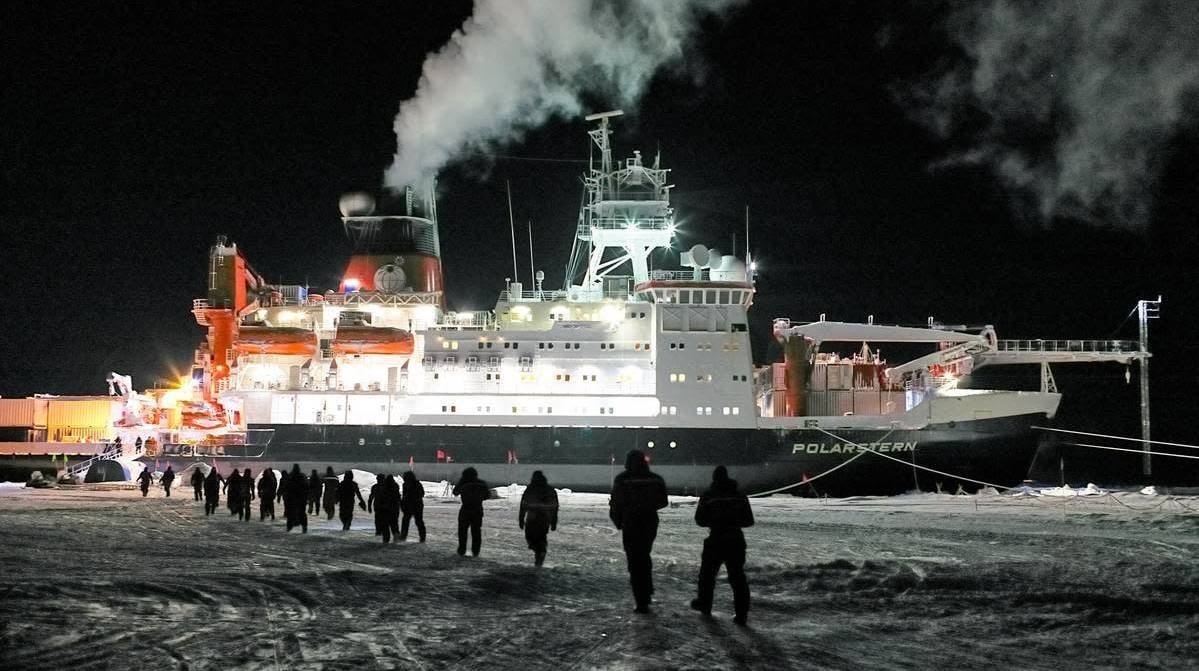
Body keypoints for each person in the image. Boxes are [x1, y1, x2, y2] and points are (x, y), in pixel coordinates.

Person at [690, 466, 754, 626]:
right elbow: (748, 520)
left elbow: (699, 519)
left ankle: (705, 604)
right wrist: (733, 521)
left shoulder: (708, 495)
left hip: (716, 538)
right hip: (735, 539)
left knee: (707, 575)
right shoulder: (739, 495)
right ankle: (742, 614)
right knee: (737, 577)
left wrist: (715, 521)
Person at [609, 450, 668, 614]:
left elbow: (615, 503)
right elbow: (663, 501)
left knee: (634, 559)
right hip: (649, 521)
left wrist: (618, 521)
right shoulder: (655, 479)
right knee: (644, 555)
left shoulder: (622, 479)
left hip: (631, 522)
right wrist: (647, 506)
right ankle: (646, 591)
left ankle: (641, 598)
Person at [519, 470, 560, 567]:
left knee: (530, 536)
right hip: (545, 519)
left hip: (532, 518)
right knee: (542, 536)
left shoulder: (530, 489)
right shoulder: (550, 490)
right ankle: (540, 551)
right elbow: (555, 507)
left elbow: (523, 505)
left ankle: (538, 551)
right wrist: (554, 521)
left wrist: (521, 518)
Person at [452, 467, 491, 557]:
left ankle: (462, 549)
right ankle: (475, 551)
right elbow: (487, 495)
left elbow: (455, 492)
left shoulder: (464, 483)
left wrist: (461, 482)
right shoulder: (482, 484)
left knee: (462, 531)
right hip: (477, 509)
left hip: (465, 509)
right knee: (476, 531)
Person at [399, 470, 426, 542]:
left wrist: (411, 497)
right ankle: (404, 536)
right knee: (407, 521)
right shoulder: (406, 484)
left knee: (417, 521)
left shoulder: (416, 484)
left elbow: (421, 494)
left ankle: (422, 537)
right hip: (410, 506)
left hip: (416, 505)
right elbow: (404, 495)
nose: (404, 478)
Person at [281, 464, 308, 533]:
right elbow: (306, 487)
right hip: (299, 498)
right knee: (301, 514)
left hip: (294, 498)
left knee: (292, 514)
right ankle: (303, 528)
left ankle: (290, 528)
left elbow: (286, 487)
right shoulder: (302, 477)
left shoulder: (290, 477)